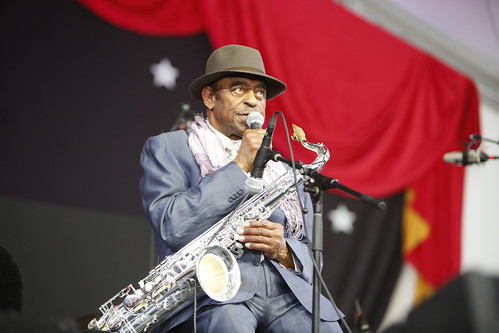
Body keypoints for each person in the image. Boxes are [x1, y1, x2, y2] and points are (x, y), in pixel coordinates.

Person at [140, 44, 343, 332]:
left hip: (286, 293)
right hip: (212, 294)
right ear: (210, 97)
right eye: (239, 90)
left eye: (259, 93)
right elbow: (171, 225)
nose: (253, 101)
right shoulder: (169, 147)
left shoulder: (285, 169)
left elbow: (314, 257)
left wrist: (285, 251)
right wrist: (240, 166)